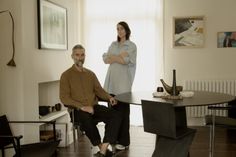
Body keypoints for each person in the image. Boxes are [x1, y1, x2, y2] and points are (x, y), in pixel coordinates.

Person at [60, 44, 122, 157]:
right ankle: (101, 148)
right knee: (86, 118)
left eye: (82, 54)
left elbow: (99, 90)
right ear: (72, 56)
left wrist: (109, 97)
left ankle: (103, 149)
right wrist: (82, 107)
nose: (80, 57)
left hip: (94, 107)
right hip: (78, 111)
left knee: (116, 115)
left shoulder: (90, 74)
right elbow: (64, 97)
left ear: (85, 56)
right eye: (77, 55)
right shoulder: (66, 75)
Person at [103, 21, 137, 151]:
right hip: (111, 84)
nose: (119, 31)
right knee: (112, 113)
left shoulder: (131, 46)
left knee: (123, 113)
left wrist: (113, 57)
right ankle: (112, 139)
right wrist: (118, 56)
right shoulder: (113, 44)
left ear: (126, 30)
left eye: (121, 28)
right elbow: (105, 59)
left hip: (123, 85)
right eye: (117, 29)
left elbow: (126, 61)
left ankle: (124, 141)